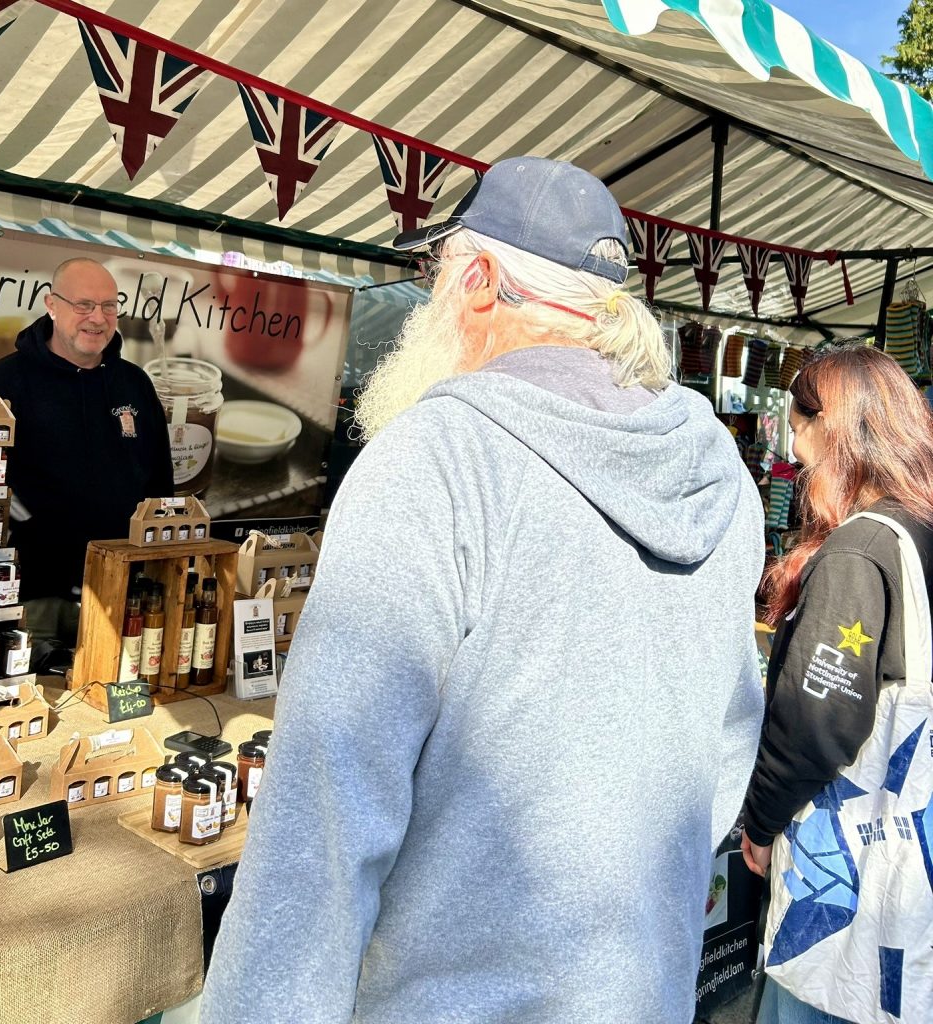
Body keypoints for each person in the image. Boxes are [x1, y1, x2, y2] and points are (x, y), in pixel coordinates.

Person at [200, 157, 765, 1024]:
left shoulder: (437, 457)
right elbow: (727, 753)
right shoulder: (717, 472)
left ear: (480, 280)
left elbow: (324, 814)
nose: (429, 302)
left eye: (435, 275)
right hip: (643, 990)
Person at [741, 345, 933, 1023]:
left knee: (815, 994)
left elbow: (814, 721)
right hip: (911, 856)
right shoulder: (919, 530)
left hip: (844, 867)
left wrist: (759, 822)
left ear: (838, 430)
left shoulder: (858, 551)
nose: (795, 452)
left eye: (799, 429)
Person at [0, 257, 173, 646]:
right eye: (84, 305)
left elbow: (160, 484)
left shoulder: (135, 384)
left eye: (109, 306)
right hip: (32, 595)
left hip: (122, 593)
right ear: (51, 304)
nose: (97, 318)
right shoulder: (0, 383)